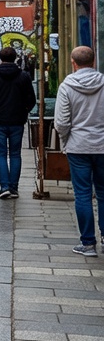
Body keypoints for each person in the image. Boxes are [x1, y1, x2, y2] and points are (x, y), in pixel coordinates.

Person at [53, 46, 104, 256]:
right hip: (102, 145)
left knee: (82, 194)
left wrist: (66, 140)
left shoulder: (67, 86)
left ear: (73, 63)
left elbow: (61, 123)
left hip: (78, 146)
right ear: (93, 62)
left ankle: (88, 243)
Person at [0, 46, 37, 199]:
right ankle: (13, 187)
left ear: (1, 58)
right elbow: (31, 99)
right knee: (15, 154)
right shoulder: (24, 76)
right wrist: (24, 109)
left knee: (0, 154)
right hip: (17, 120)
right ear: (15, 58)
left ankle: (4, 186)